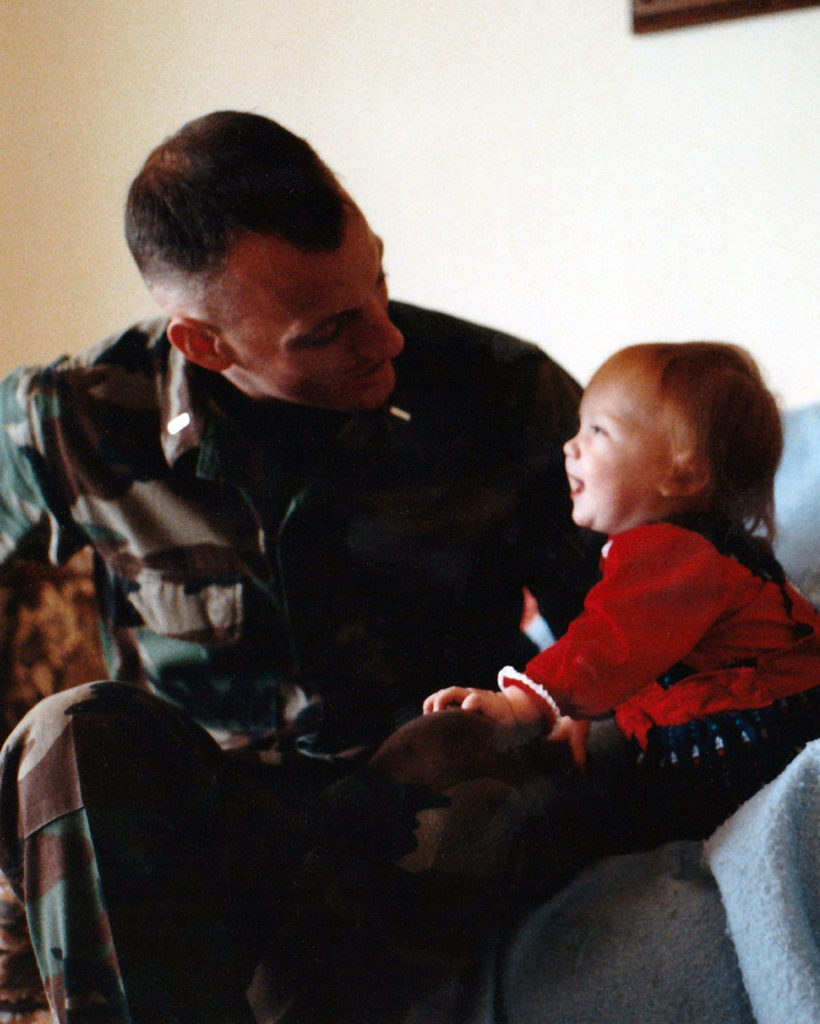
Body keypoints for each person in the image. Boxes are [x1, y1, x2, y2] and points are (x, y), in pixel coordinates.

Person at [0, 111, 600, 1022]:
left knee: (470, 782)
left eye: (381, 282)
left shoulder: (503, 392)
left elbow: (625, 622)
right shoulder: (75, 416)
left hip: (419, 802)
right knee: (67, 732)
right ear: (204, 343)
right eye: (329, 330)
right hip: (215, 816)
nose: (387, 338)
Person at [422, 341, 820, 888]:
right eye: (578, 426)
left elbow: (610, 642)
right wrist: (578, 712)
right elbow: (639, 652)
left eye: (598, 432)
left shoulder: (670, 556)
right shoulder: (686, 549)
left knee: (589, 829)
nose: (570, 446)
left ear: (682, 474)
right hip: (759, 719)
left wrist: (526, 701)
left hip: (749, 740)